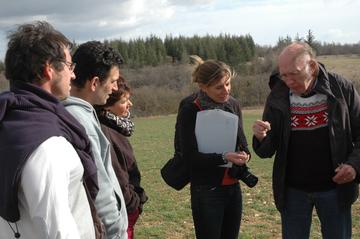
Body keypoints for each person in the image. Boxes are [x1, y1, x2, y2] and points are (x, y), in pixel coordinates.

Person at [252, 42, 360, 239]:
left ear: (312, 66)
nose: (287, 81)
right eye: (283, 75)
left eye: (293, 74)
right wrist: (261, 137)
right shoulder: (278, 94)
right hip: (293, 193)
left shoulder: (341, 88)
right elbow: (267, 150)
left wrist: (354, 166)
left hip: (335, 191)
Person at [0, 21, 97, 238]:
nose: (73, 75)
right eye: (70, 66)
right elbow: (57, 228)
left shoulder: (8, 120)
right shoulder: (47, 145)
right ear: (49, 69)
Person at [177, 55, 252, 239]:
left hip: (233, 188)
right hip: (206, 190)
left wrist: (245, 155)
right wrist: (224, 157)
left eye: (228, 84)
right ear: (203, 87)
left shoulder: (233, 104)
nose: (225, 90)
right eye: (219, 87)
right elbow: (188, 156)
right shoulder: (190, 108)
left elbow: (243, 144)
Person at [63, 41, 128, 239]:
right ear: (94, 83)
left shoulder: (75, 113)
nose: (115, 87)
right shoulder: (81, 121)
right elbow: (99, 186)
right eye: (113, 81)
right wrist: (115, 231)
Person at [95, 76, 148, 239]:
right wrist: (133, 204)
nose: (130, 105)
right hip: (123, 208)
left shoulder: (115, 128)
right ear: (108, 107)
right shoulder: (105, 131)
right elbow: (117, 176)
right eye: (124, 101)